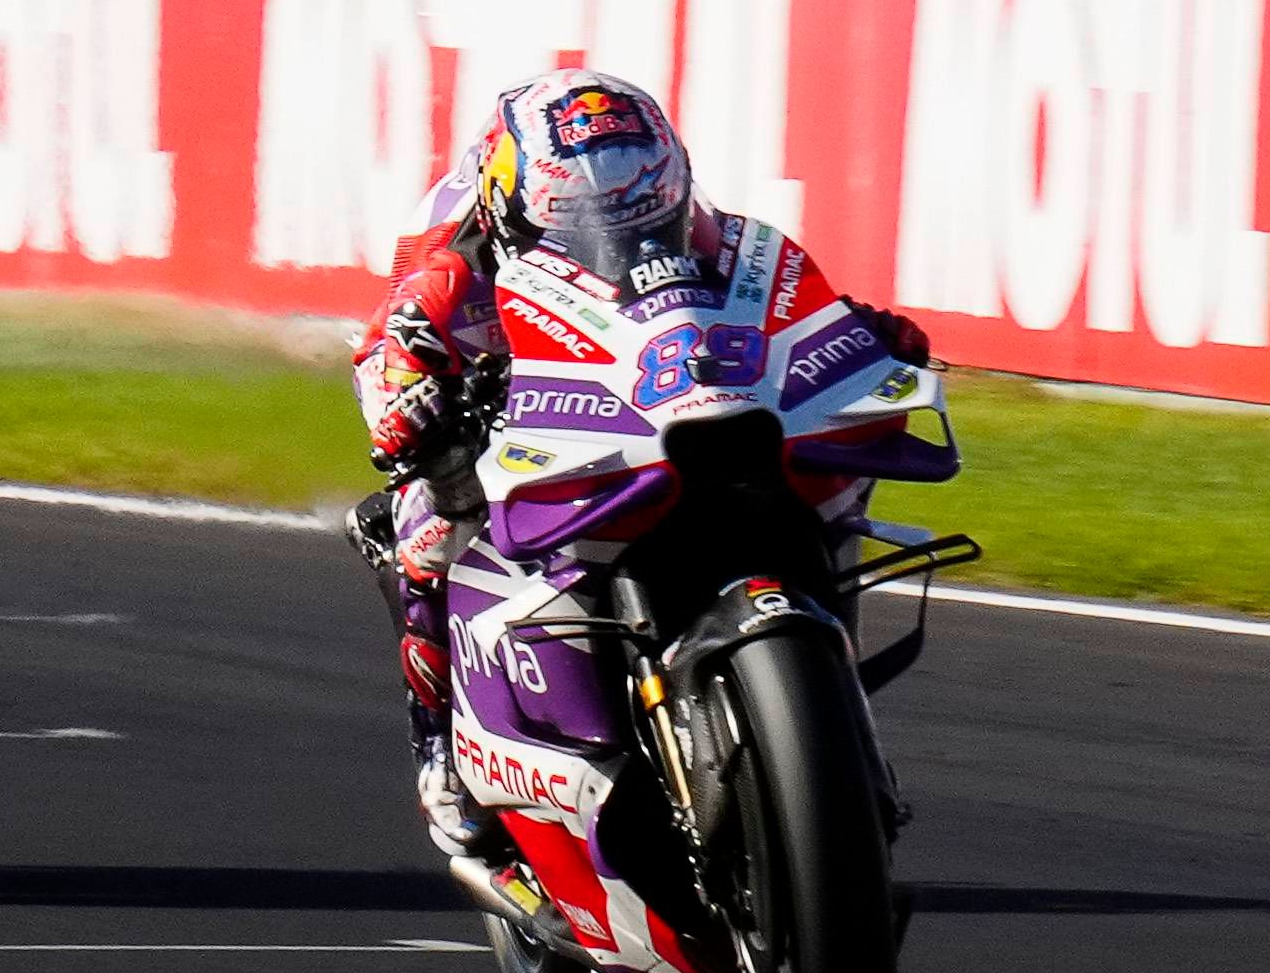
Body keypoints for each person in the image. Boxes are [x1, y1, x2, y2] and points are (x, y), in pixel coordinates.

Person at [351, 67, 933, 858]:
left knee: (831, 473)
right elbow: (383, 361)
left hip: (662, 411)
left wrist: (859, 335)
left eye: (642, 207)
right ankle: (440, 751)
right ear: (511, 204)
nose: (617, 229)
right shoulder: (453, 272)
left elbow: (793, 305)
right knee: (423, 527)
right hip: (518, 421)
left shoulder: (726, 241)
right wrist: (413, 410)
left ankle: (838, 704)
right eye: (576, 215)